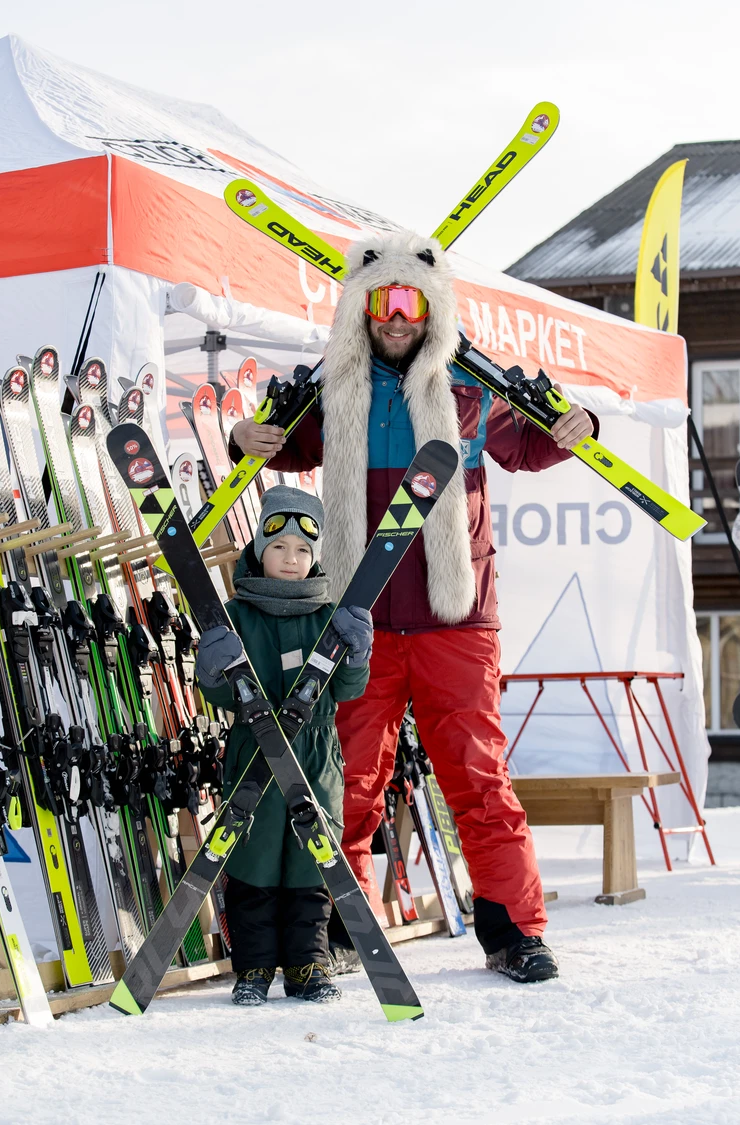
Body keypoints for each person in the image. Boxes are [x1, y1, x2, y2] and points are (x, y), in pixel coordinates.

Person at [229, 232, 596, 984]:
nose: (397, 316)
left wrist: (579, 425)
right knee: (347, 778)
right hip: (357, 622)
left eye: (411, 301)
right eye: (382, 302)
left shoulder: (469, 387)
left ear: (432, 307)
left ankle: (512, 930)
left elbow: (531, 449)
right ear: (361, 310)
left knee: (476, 774)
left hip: (454, 618)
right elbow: (277, 447)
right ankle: (336, 924)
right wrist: (242, 436)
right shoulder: (335, 390)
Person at [195, 485, 373, 1005]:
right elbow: (220, 693)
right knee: (250, 861)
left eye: (301, 550)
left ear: (314, 557)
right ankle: (253, 969)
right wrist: (210, 667)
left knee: (308, 863)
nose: (290, 560)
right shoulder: (237, 614)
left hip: (314, 757)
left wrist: (358, 655)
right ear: (258, 550)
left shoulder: (328, 617)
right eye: (278, 548)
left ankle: (307, 966)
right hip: (253, 754)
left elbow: (347, 690)